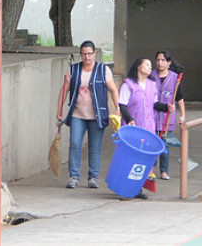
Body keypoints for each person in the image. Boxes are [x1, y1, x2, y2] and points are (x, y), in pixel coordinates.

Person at [58, 40, 121, 190]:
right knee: (74, 144)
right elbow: (64, 90)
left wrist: (117, 108)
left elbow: (113, 90)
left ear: (94, 54)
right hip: (77, 114)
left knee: (94, 147)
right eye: (84, 54)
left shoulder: (103, 70)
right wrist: (59, 111)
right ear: (80, 54)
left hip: (97, 116)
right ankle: (74, 176)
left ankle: (93, 177)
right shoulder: (73, 69)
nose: (87, 57)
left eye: (89, 54)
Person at [118, 57, 160, 199]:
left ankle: (138, 188)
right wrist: (129, 119)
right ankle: (124, 187)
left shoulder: (152, 84)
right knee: (131, 159)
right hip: (134, 128)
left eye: (150, 65)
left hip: (149, 128)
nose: (150, 67)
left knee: (145, 160)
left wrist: (167, 107)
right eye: (146, 65)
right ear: (138, 67)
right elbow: (122, 104)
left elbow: (155, 104)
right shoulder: (128, 85)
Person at [151, 51, 185, 180]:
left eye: (163, 60)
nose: (160, 63)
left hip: (167, 117)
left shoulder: (175, 78)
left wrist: (183, 114)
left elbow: (179, 97)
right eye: (158, 60)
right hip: (152, 116)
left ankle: (164, 171)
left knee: (164, 144)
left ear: (169, 62)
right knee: (152, 143)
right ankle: (151, 169)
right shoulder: (151, 76)